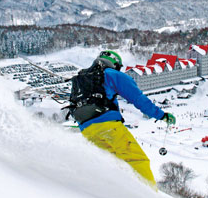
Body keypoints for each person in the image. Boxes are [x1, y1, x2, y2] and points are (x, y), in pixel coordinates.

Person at [68, 50, 176, 188]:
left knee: (112, 163)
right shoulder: (112, 74)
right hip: (107, 125)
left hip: (87, 130)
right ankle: (148, 195)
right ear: (114, 64)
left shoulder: (81, 78)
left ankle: (117, 192)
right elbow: (138, 99)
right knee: (137, 160)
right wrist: (161, 115)